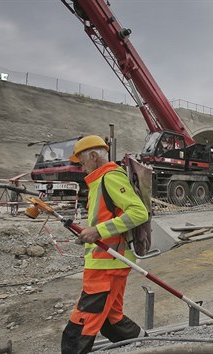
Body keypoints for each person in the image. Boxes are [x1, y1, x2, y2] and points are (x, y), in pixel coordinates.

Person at [63, 135, 149, 354]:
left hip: (108, 265)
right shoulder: (98, 182)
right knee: (112, 319)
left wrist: (98, 231)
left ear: (94, 155)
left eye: (82, 162)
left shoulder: (109, 178)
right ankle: (147, 344)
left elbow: (138, 213)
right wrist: (88, 233)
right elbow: (104, 218)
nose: (81, 167)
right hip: (105, 262)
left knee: (81, 325)